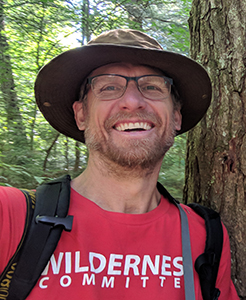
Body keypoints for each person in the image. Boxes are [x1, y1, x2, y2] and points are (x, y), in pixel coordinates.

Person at [0, 29, 239, 299]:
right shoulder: (10, 216)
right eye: (109, 87)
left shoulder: (206, 236)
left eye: (151, 86)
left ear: (175, 116)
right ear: (81, 115)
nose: (132, 102)